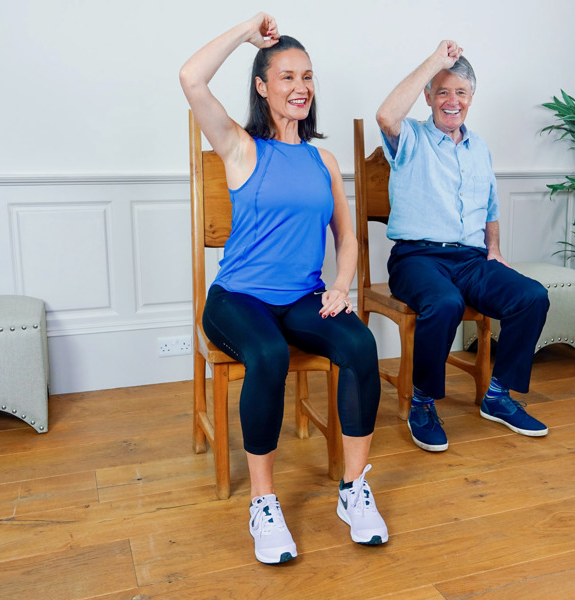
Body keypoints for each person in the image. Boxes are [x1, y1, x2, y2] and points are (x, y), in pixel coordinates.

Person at [180, 13, 388, 564]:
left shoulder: (323, 158)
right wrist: (247, 31)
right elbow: (190, 79)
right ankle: (263, 502)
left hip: (301, 297)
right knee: (268, 354)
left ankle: (354, 488)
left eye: (308, 77)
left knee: (360, 345)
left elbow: (346, 238)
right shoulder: (240, 147)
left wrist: (342, 286)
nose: (300, 88)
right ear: (262, 86)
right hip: (238, 299)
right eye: (287, 77)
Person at [375, 40, 550, 453]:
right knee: (446, 303)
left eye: (461, 93)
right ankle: (422, 402)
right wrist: (437, 60)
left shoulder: (480, 147)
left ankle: (498, 395)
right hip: (416, 258)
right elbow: (385, 114)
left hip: (471, 259)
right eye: (442, 92)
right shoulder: (412, 137)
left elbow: (489, 204)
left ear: (472, 98)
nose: (452, 101)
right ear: (428, 97)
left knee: (532, 296)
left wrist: (495, 250)